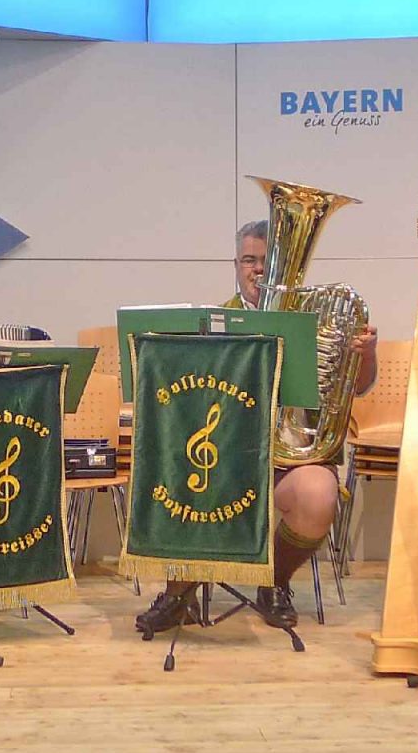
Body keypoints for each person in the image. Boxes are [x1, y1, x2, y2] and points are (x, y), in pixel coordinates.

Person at [136, 218, 380, 636]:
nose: (259, 269)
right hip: (224, 457)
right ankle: (177, 594)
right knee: (182, 476)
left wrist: (366, 354)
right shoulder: (213, 322)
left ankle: (274, 582)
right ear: (236, 265)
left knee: (318, 495)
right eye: (249, 260)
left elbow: (356, 387)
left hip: (292, 459)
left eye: (269, 261)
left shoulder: (318, 322)